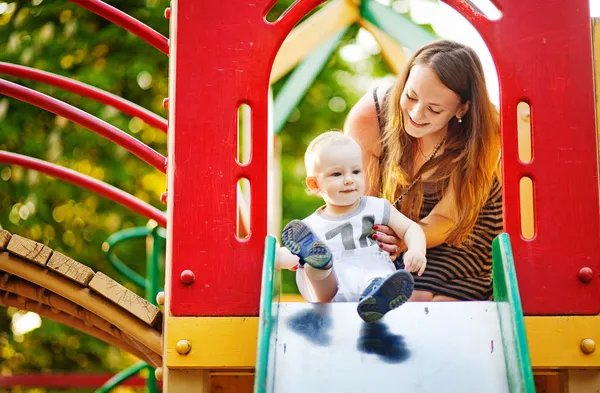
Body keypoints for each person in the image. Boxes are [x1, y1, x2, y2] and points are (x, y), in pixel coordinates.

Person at [344, 39, 502, 302]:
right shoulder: (370, 118)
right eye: (411, 96)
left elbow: (447, 219)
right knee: (399, 290)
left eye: (434, 109)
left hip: (465, 228)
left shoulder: (485, 131)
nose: (416, 113)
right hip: (402, 224)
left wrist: (406, 239)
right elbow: (363, 204)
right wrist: (385, 238)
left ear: (462, 109)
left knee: (428, 299)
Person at [277, 131, 427, 323]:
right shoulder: (311, 226)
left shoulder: (376, 207)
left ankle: (377, 298)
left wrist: (417, 250)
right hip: (329, 290)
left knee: (377, 276)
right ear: (315, 184)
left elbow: (410, 229)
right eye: (337, 174)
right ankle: (320, 263)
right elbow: (291, 257)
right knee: (311, 265)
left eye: (356, 171)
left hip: (370, 270)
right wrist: (274, 259)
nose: (349, 179)